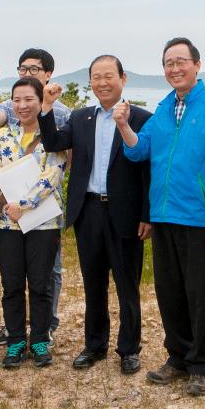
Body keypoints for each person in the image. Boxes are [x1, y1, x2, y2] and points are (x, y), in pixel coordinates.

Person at [116, 37, 205, 397]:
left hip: (200, 216)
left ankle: (201, 364)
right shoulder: (163, 109)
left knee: (198, 292)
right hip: (164, 215)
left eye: (181, 61)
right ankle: (177, 357)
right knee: (169, 291)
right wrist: (124, 126)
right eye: (168, 63)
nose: (174, 68)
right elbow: (139, 152)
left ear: (197, 65)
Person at [37, 55, 152, 375]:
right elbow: (53, 142)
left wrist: (147, 214)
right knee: (93, 283)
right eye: (96, 77)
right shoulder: (81, 117)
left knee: (127, 284)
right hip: (88, 210)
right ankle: (95, 345)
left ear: (123, 78)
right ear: (90, 82)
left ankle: (129, 349)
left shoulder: (142, 117)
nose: (102, 83)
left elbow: (148, 170)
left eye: (108, 76)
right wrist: (46, 107)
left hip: (126, 213)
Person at [0, 48, 72, 347]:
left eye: (29, 99)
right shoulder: (4, 134)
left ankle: (42, 338)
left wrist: (26, 204)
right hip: (9, 223)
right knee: (12, 285)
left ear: (41, 100)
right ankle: (16, 340)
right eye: (17, 100)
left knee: (42, 283)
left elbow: (55, 173)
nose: (22, 106)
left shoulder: (54, 133)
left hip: (43, 220)